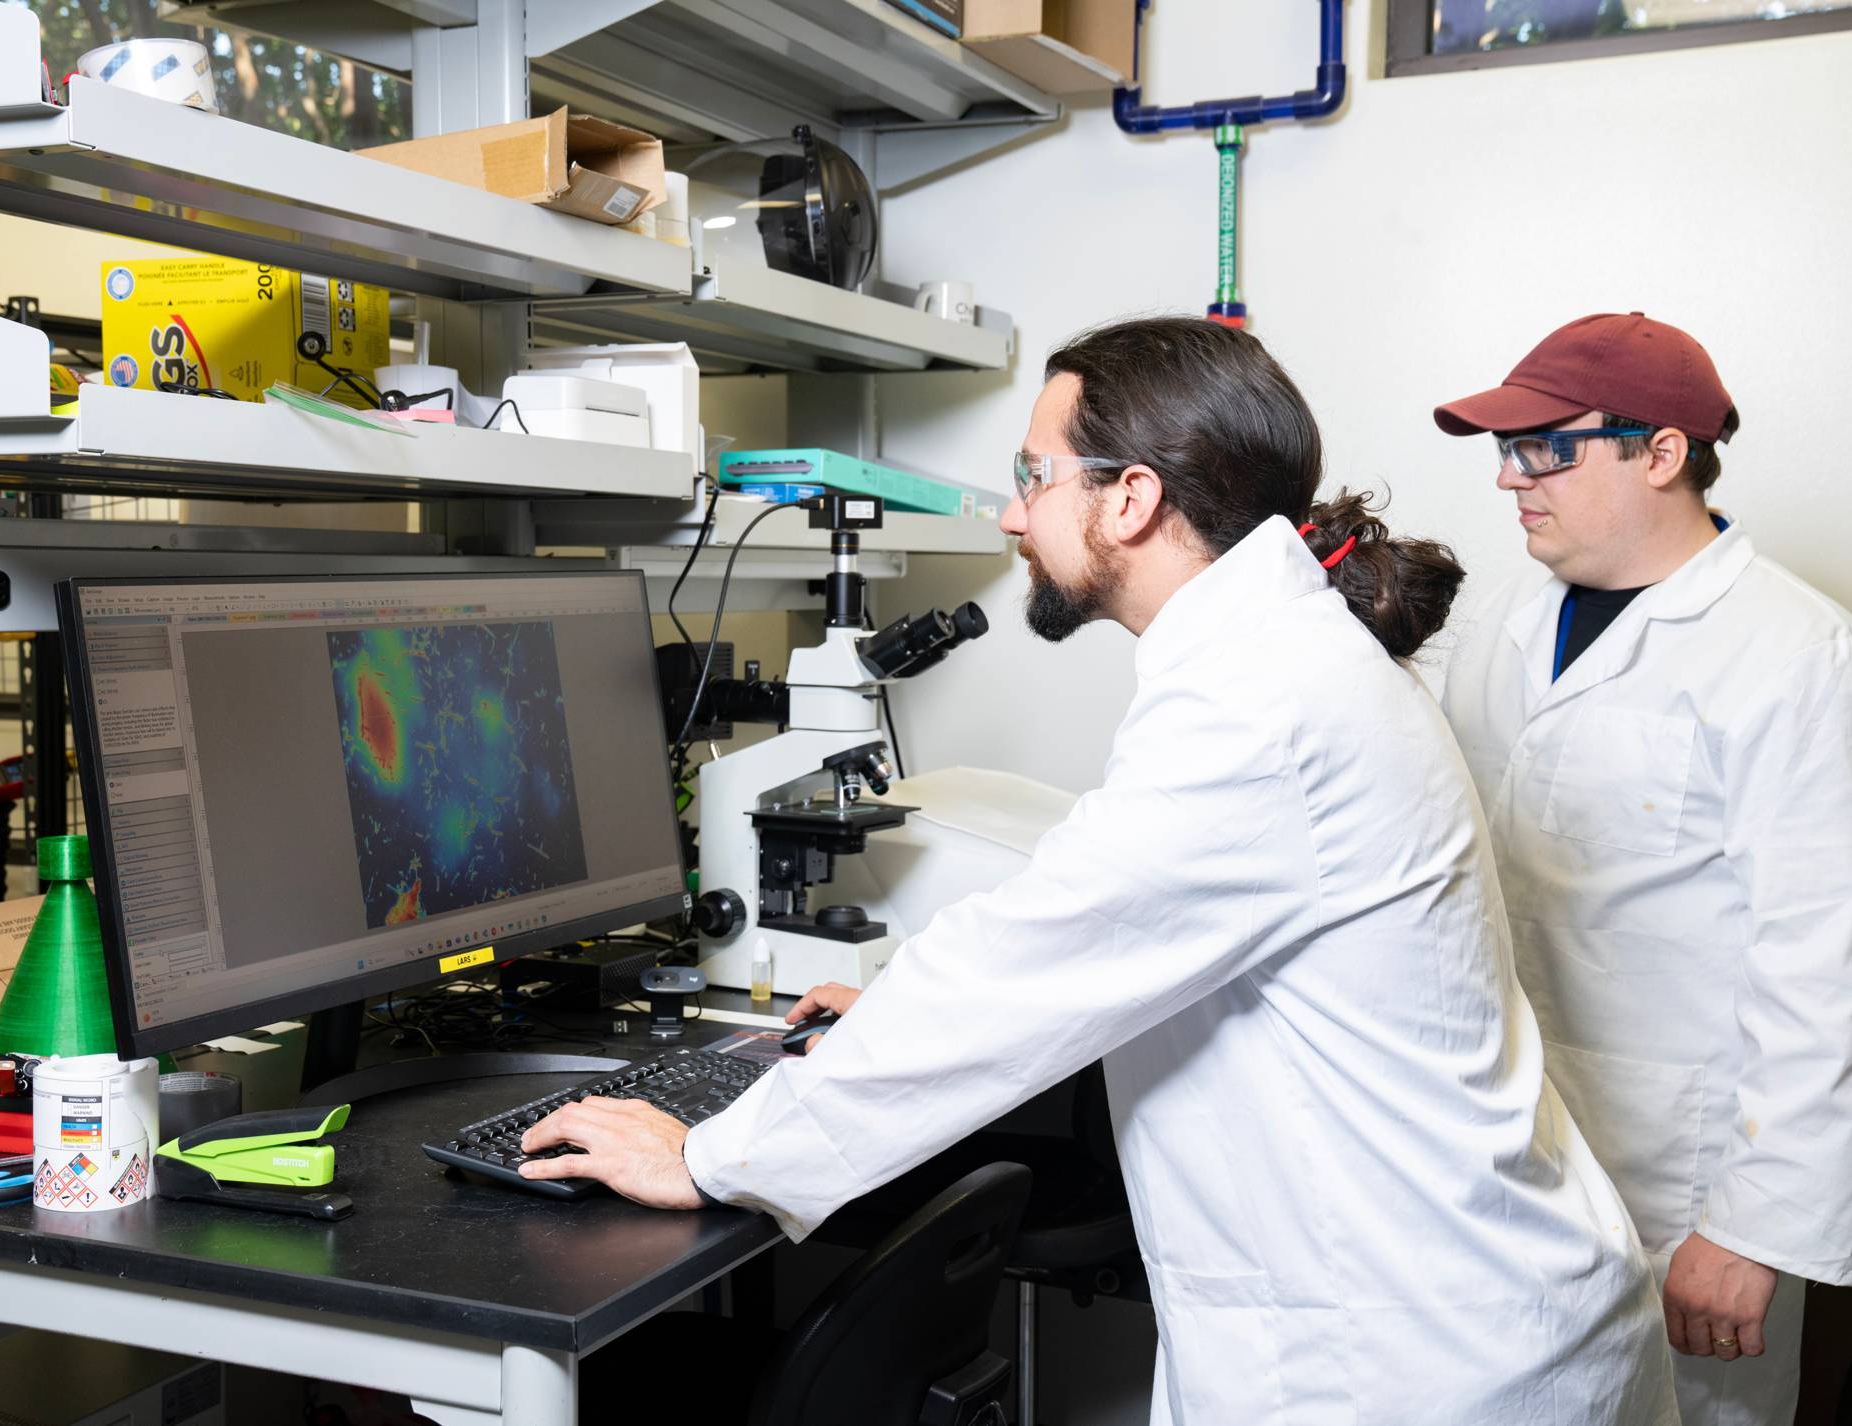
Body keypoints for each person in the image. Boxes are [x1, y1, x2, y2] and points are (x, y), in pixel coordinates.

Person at [522, 316, 1678, 1424]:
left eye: (1035, 478)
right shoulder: (1274, 663)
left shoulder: (1258, 707)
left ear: (1131, 499)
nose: (1017, 518)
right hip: (1433, 1300)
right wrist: (895, 1004)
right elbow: (1090, 927)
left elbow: (1024, 960)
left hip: (1415, 1350)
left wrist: (712, 1154)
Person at [1434, 312, 1852, 1426]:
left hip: (1682, 1189)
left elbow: (1822, 961)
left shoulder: (1793, 652)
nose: (1513, 480)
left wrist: (1754, 1228)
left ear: (1662, 452)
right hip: (1499, 1158)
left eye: (1545, 448)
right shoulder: (1499, 617)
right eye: (1505, 451)